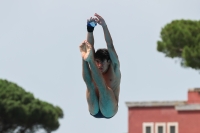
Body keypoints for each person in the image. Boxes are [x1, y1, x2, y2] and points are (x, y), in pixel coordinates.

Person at [79, 13, 121, 119]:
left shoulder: (114, 68)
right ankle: (84, 58)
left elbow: (110, 45)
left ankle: (88, 59)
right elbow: (90, 46)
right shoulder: (96, 68)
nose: (99, 65)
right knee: (90, 84)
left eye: (102, 62)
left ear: (109, 61)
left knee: (104, 87)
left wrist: (104, 26)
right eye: (97, 62)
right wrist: (90, 29)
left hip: (109, 109)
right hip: (94, 108)